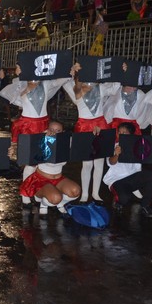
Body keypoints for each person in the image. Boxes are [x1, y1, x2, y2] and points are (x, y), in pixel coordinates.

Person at [63, 62, 118, 203]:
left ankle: (95, 193)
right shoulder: (74, 89)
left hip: (100, 125)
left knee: (99, 162)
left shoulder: (100, 88)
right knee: (87, 163)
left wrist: (120, 72)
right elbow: (64, 81)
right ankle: (85, 194)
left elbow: (115, 88)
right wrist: (72, 71)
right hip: (84, 126)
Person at [20, 120, 81, 217]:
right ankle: (43, 205)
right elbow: (28, 161)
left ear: (62, 132)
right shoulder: (40, 141)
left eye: (58, 130)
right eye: (51, 129)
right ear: (47, 129)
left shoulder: (66, 143)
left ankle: (59, 203)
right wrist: (43, 137)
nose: (54, 132)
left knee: (75, 191)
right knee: (56, 197)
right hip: (40, 181)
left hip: (58, 179)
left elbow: (83, 143)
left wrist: (95, 133)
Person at [0, 64, 71, 145]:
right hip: (26, 124)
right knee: (24, 148)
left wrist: (69, 71)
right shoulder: (21, 85)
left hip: (43, 123)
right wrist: (20, 75)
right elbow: (6, 90)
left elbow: (61, 80)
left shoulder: (45, 84)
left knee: (42, 149)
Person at [104, 122, 152, 218]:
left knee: (151, 175)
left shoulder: (136, 146)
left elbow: (138, 167)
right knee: (124, 199)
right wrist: (116, 154)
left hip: (131, 178)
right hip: (117, 180)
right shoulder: (113, 146)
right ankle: (117, 200)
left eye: (124, 132)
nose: (121, 135)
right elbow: (111, 162)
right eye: (119, 132)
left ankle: (145, 205)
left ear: (131, 134)